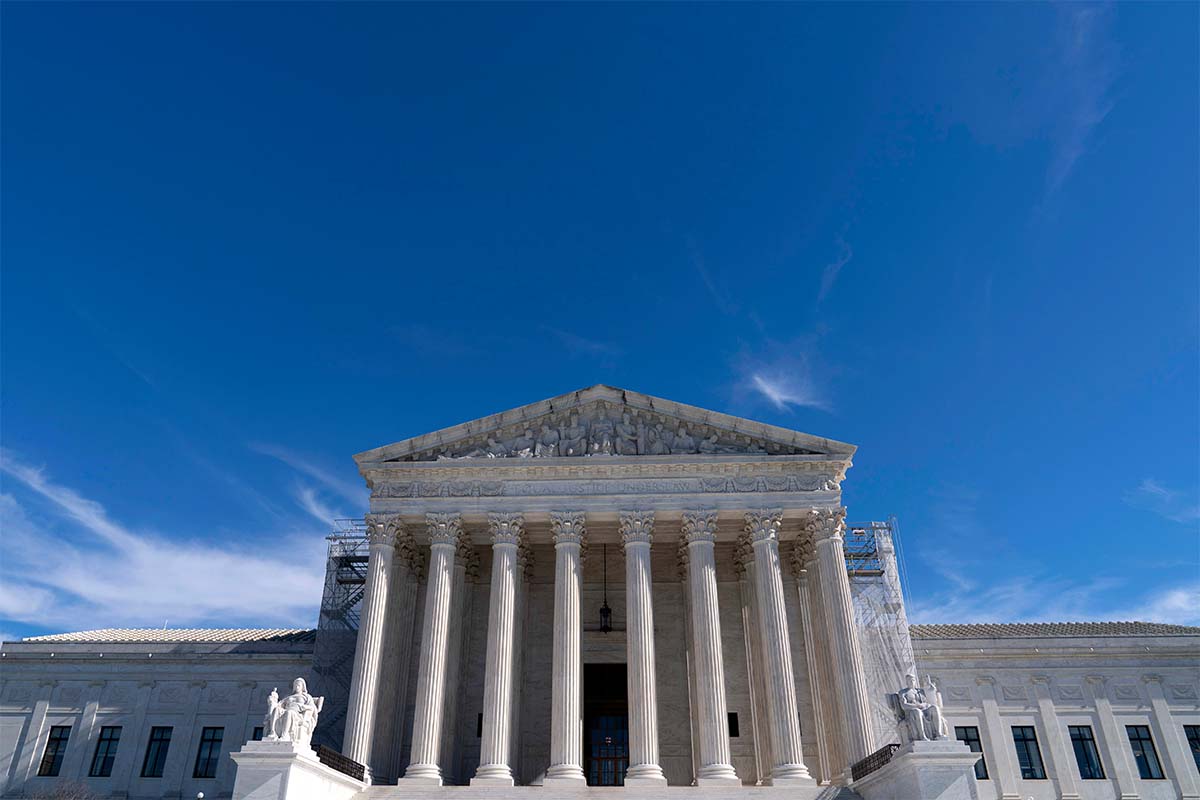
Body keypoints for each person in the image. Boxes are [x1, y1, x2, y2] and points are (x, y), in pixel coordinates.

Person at [265, 678, 324, 746]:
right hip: (286, 711)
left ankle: (285, 735)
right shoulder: (289, 697)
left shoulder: (307, 697)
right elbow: (279, 704)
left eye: (298, 685)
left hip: (298, 714)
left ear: (302, 687)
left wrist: (302, 707)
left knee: (289, 712)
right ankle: (273, 732)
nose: (296, 687)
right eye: (295, 685)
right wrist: (273, 700)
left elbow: (312, 708)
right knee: (276, 710)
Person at [897, 673, 945, 741]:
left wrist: (930, 689)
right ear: (906, 682)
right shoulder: (903, 692)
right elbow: (904, 705)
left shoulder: (920, 691)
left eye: (913, 680)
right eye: (909, 680)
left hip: (924, 709)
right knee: (917, 711)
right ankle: (922, 736)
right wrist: (916, 706)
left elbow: (927, 701)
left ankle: (938, 733)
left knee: (935, 708)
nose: (911, 682)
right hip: (911, 712)